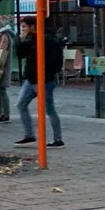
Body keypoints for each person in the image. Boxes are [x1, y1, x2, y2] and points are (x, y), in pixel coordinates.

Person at [14, 16, 65, 147]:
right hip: (31, 79)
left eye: (25, 27)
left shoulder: (47, 39)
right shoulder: (31, 39)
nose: (23, 29)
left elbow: (54, 60)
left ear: (32, 26)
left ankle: (58, 138)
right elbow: (20, 54)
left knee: (49, 109)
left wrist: (46, 74)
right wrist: (22, 40)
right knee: (21, 104)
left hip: (44, 80)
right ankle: (29, 134)